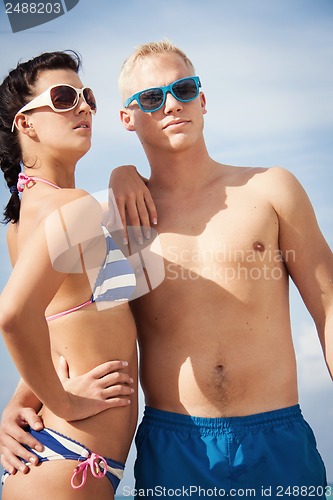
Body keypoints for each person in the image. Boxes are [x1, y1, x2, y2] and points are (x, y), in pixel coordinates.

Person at [1, 41, 333, 498]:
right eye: (152, 98)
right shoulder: (116, 219)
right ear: (127, 118)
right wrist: (26, 399)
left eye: (183, 88)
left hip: (278, 437)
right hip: (177, 446)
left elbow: (329, 308)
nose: (172, 103)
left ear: (202, 98)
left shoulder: (272, 188)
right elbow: (75, 317)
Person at [0, 51, 138, 499]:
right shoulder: (72, 206)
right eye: (63, 98)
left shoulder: (22, 224)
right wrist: (63, 401)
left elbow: (59, 328)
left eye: (87, 97)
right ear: (27, 124)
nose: (82, 107)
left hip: (61, 458)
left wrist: (24, 398)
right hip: (68, 459)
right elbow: (13, 317)